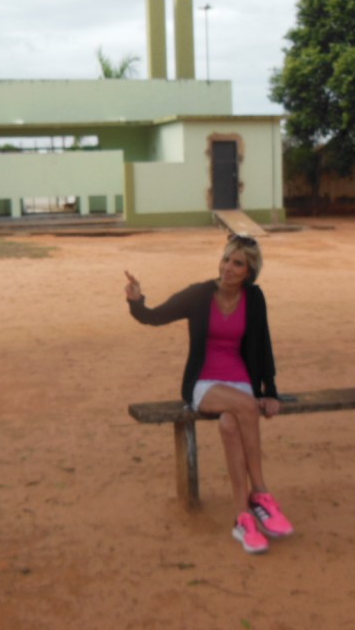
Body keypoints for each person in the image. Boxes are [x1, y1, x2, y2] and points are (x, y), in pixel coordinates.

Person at [124, 234, 293, 554]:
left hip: (239, 381)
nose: (228, 267)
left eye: (237, 263)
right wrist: (136, 300)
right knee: (245, 406)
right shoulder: (200, 294)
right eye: (226, 259)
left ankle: (243, 517)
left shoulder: (254, 299)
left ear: (249, 271)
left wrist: (270, 391)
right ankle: (261, 493)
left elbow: (263, 344)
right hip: (203, 382)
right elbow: (154, 316)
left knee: (231, 424)